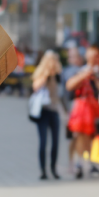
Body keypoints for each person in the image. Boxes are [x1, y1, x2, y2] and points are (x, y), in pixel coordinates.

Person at [66, 44, 99, 179]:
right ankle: (80, 162)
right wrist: (86, 74)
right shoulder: (81, 71)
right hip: (81, 110)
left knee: (94, 136)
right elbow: (70, 85)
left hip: (97, 109)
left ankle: (90, 162)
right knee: (79, 136)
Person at [31, 50, 63, 180]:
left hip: (54, 111)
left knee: (55, 142)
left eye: (55, 60)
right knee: (43, 141)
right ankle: (43, 170)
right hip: (43, 111)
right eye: (50, 60)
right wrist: (46, 74)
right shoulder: (41, 73)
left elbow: (61, 95)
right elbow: (35, 87)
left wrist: (65, 112)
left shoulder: (58, 75)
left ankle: (53, 168)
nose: (53, 63)